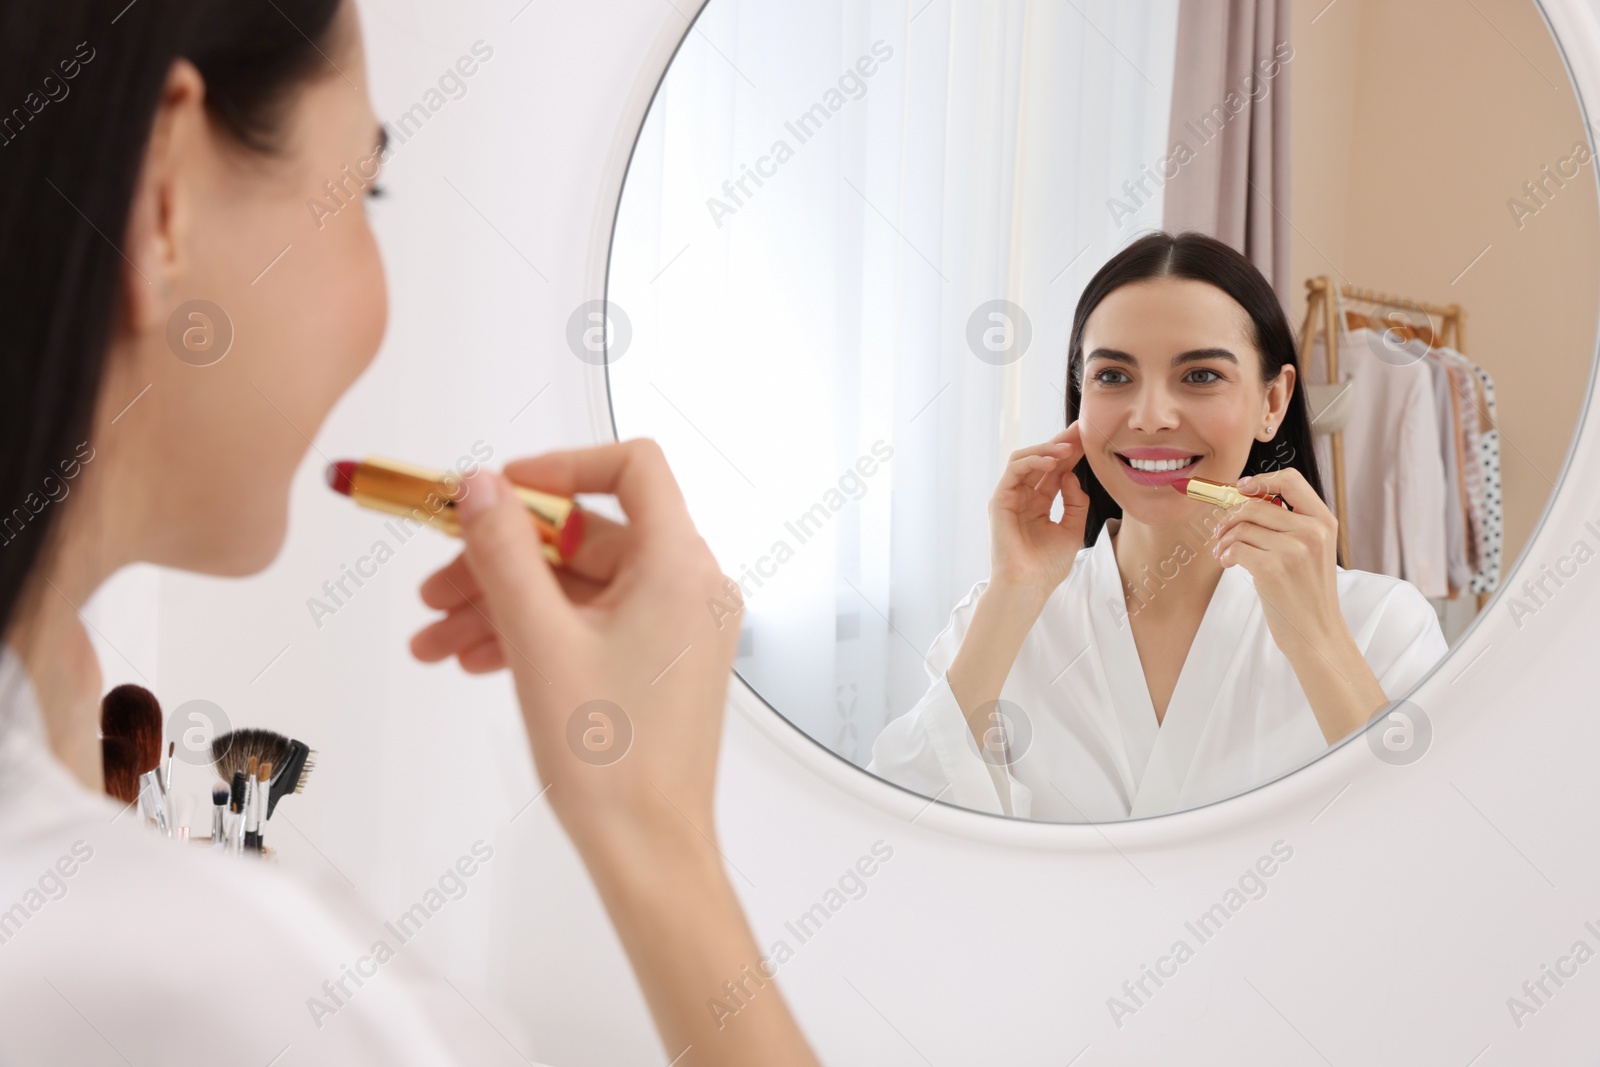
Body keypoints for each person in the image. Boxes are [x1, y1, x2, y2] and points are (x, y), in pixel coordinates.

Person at [0, 1, 817, 1063]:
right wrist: (657, 835)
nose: (382, 303)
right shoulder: (229, 986)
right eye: (362, 188)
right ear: (167, 194)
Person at [868, 232, 1449, 821]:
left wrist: (1318, 640)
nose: (1149, 418)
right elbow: (898, 836)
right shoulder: (995, 619)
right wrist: (1013, 595)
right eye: (1114, 377)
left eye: (1200, 376)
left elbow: (1423, 856)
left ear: (1273, 402)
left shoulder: (1383, 624)